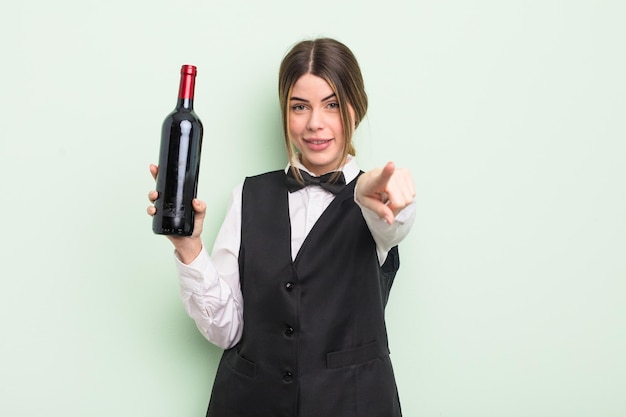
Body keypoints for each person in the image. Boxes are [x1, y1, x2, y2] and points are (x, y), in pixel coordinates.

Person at [147, 37, 416, 417]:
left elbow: (394, 224)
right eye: (299, 107)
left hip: (352, 404)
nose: (314, 124)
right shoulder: (249, 193)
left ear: (357, 108)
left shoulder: (375, 197)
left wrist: (383, 195)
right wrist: (188, 247)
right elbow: (227, 331)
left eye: (332, 105)